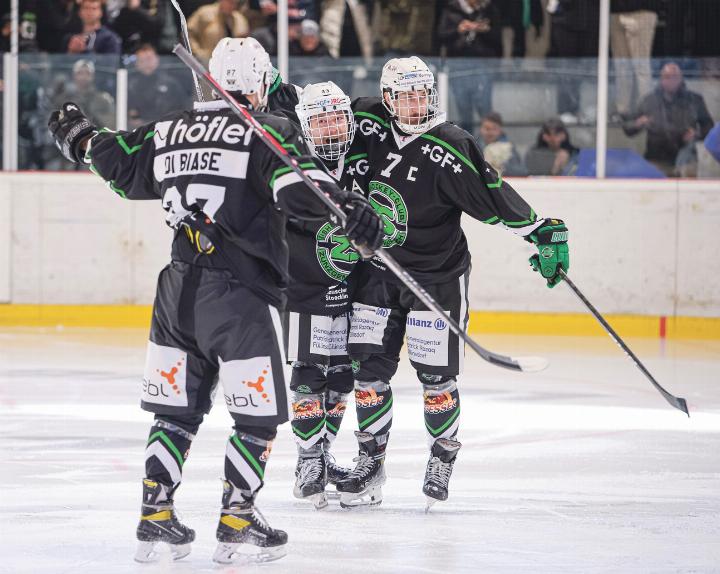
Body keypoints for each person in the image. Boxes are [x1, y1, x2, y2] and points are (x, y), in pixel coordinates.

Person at [47, 36, 383, 564]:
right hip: (240, 298)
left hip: (177, 291)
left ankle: (155, 518)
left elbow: (118, 166)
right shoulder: (263, 131)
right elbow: (301, 189)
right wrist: (352, 211)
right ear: (259, 82)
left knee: (175, 413)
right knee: (257, 418)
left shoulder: (169, 129)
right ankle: (237, 519)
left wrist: (79, 136)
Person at [337, 57, 570, 510]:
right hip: (378, 273)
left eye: (423, 94)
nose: (417, 103)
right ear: (387, 98)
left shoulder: (450, 144)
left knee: (436, 378)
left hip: (437, 278)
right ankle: (370, 464)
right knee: (368, 373)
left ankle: (442, 455)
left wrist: (539, 230)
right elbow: (320, 118)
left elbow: (493, 196)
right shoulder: (365, 120)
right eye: (406, 95)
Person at [286, 81, 372, 508]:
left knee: (342, 376)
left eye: (337, 117)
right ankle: (307, 459)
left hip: (352, 287)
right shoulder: (292, 163)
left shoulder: (360, 162)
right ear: (304, 124)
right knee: (309, 372)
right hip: (305, 289)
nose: (331, 127)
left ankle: (321, 451)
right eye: (320, 120)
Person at [622, 62, 715, 176]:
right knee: (653, 193)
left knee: (689, 193)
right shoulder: (649, 100)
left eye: (675, 76)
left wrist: (697, 134)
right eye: (667, 77)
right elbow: (627, 129)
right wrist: (638, 123)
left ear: (681, 78)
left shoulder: (695, 100)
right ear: (661, 79)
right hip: (656, 160)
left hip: (687, 159)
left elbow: (709, 127)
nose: (671, 80)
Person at [610, 0, 659, 116]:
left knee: (640, 65)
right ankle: (622, 109)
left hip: (641, 11)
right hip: (615, 12)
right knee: (621, 66)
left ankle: (646, 110)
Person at [127, 43, 191, 129]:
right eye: (142, 60)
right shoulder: (131, 86)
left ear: (157, 59)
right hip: (141, 131)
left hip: (169, 128)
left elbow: (184, 107)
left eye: (149, 59)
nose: (147, 63)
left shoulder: (171, 84)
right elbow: (131, 114)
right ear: (136, 64)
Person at [477, 112, 527, 176]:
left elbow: (522, 171)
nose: (490, 132)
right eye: (487, 128)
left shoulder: (508, 148)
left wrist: (502, 166)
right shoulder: (473, 146)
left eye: (494, 129)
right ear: (481, 129)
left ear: (500, 130)